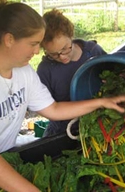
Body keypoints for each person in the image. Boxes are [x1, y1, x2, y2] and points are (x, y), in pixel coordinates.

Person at [0, 0, 125, 192]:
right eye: (33, 44)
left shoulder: (23, 72)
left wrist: (101, 102)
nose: (36, 51)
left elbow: (53, 109)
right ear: (9, 40)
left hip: (3, 164)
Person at [37, 8, 107, 137]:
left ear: (71, 35)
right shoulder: (45, 70)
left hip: (99, 126)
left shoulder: (93, 52)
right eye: (53, 54)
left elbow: (115, 74)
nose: (62, 57)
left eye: (65, 49)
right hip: (62, 131)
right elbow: (46, 108)